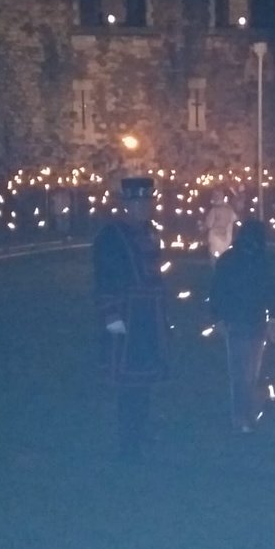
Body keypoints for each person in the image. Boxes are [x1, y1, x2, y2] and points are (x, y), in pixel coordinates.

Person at [93, 177, 169, 455]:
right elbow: (104, 277)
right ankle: (128, 440)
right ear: (127, 205)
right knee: (128, 382)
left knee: (145, 378)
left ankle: (141, 430)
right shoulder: (112, 236)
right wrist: (111, 314)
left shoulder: (150, 232)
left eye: (148, 202)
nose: (145, 208)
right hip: (126, 313)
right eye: (139, 203)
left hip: (148, 316)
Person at [210, 220, 275, 433]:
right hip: (245, 321)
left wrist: (217, 316)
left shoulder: (232, 260)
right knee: (245, 372)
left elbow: (217, 291)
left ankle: (244, 415)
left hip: (246, 321)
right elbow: (272, 291)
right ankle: (242, 416)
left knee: (245, 372)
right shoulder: (257, 260)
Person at [203, 188, 237, 259]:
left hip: (215, 241)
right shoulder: (230, 209)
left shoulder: (214, 210)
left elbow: (208, 224)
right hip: (227, 241)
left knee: (215, 262)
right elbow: (234, 219)